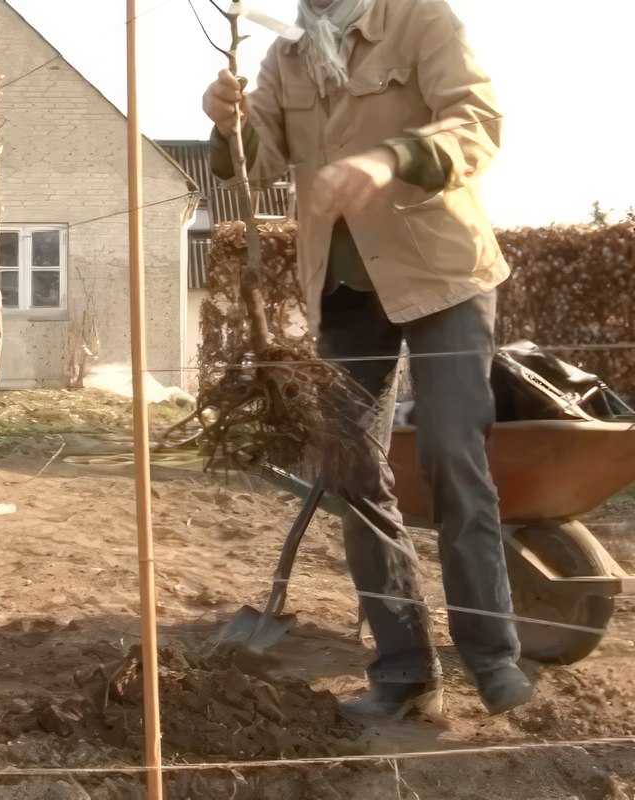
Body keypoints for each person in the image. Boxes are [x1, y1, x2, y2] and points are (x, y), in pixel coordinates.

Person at [202, 0, 534, 717]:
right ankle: (405, 670)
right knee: (350, 470)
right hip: (346, 292)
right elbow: (251, 163)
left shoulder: (419, 19)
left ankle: (493, 657)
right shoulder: (286, 55)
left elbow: (478, 123)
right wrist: (223, 121)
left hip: (443, 275)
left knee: (450, 452)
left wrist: (392, 158)